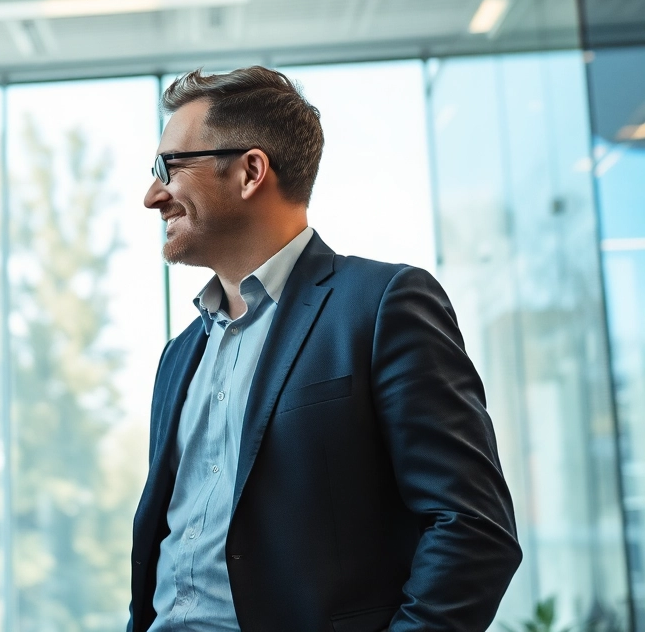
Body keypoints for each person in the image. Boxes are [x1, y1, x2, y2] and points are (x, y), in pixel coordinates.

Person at [130, 67, 521, 631]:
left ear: (250, 172)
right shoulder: (178, 355)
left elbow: (471, 525)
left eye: (169, 168)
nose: (152, 196)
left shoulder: (383, 305)